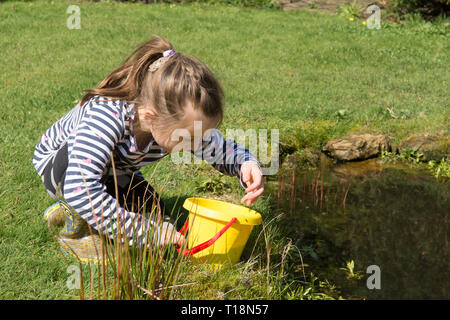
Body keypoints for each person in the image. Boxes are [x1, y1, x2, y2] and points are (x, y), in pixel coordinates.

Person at [33, 36, 264, 249]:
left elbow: (220, 149)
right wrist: (144, 232)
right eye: (190, 138)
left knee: (158, 215)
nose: (197, 144)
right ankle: (74, 222)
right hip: (63, 168)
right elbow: (80, 186)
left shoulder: (178, 124)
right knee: (100, 219)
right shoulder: (106, 118)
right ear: (151, 117)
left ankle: (89, 214)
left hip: (113, 172)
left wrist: (245, 165)